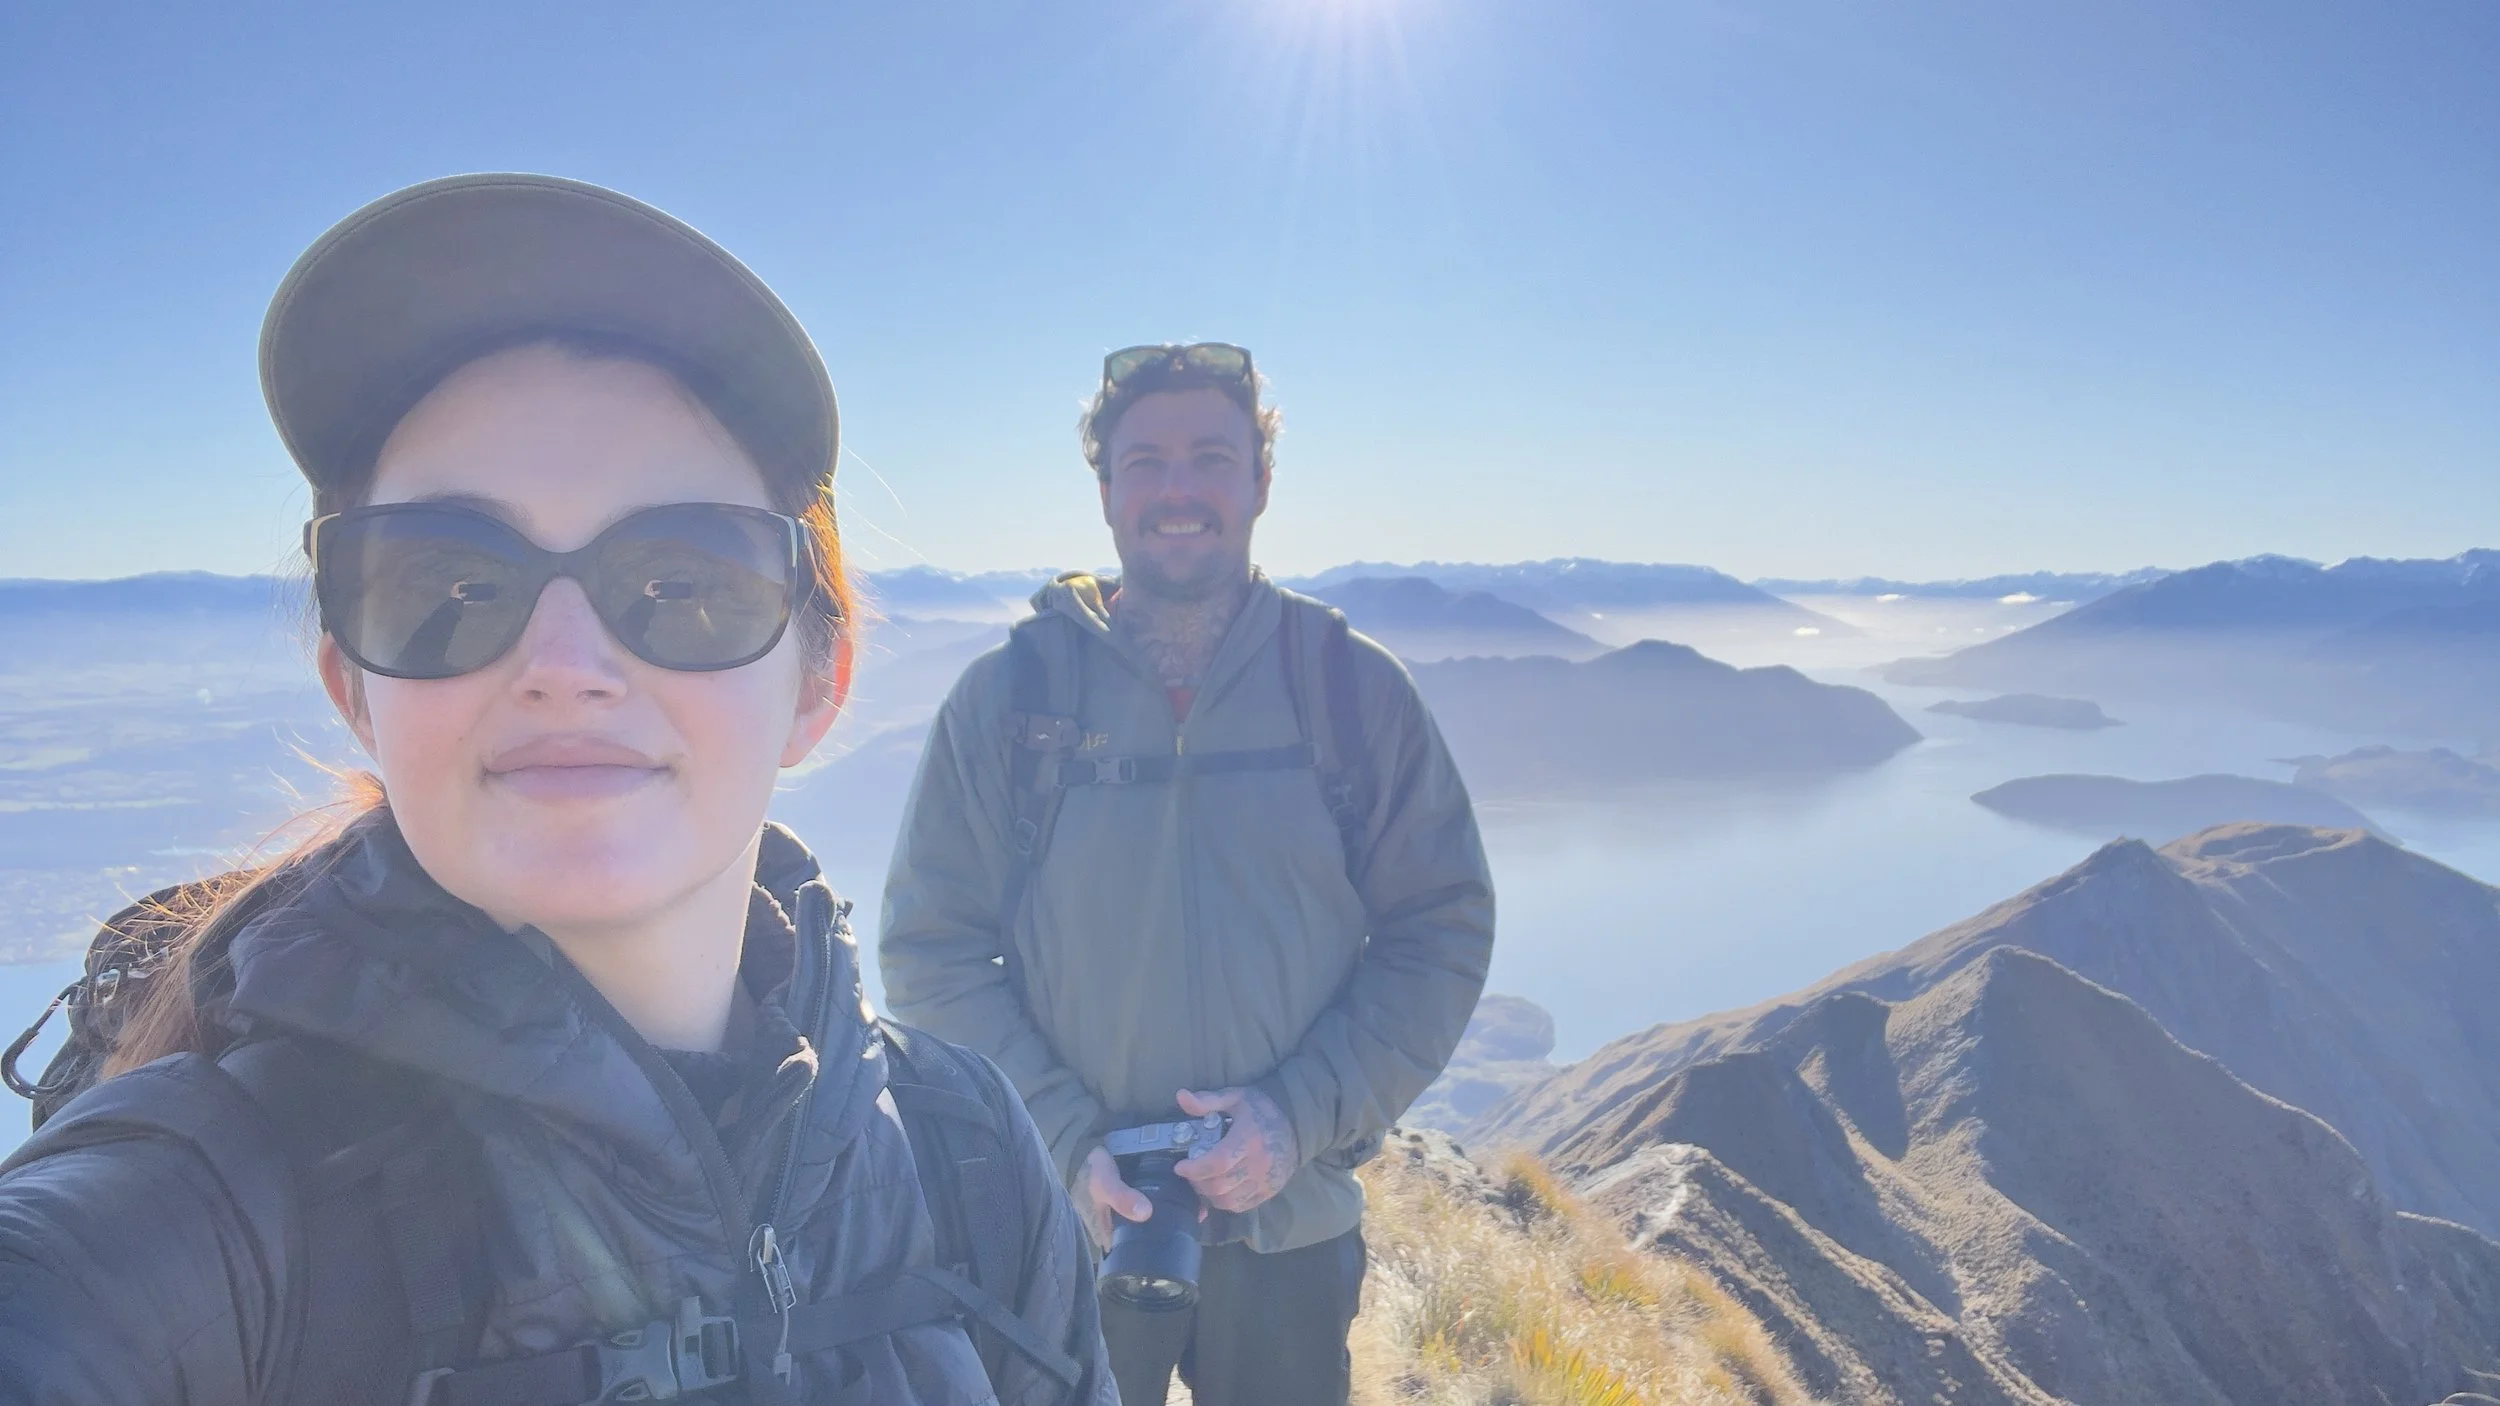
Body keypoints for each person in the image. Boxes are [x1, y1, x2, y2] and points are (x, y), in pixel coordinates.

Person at [0, 174, 1115, 1406]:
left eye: (683, 578)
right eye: (449, 583)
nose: (566, 665)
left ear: (819, 678)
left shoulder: (969, 1153)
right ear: (355, 687)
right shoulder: (200, 1227)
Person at [879, 342, 1497, 1405]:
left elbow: (1437, 927)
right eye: (1145, 461)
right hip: (1066, 1225)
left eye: (1211, 457)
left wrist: (1293, 1116)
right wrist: (1066, 1145)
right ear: (1106, 488)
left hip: (1287, 1221)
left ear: (1260, 482)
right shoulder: (1012, 698)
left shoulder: (1347, 689)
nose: (1177, 489)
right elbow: (930, 950)